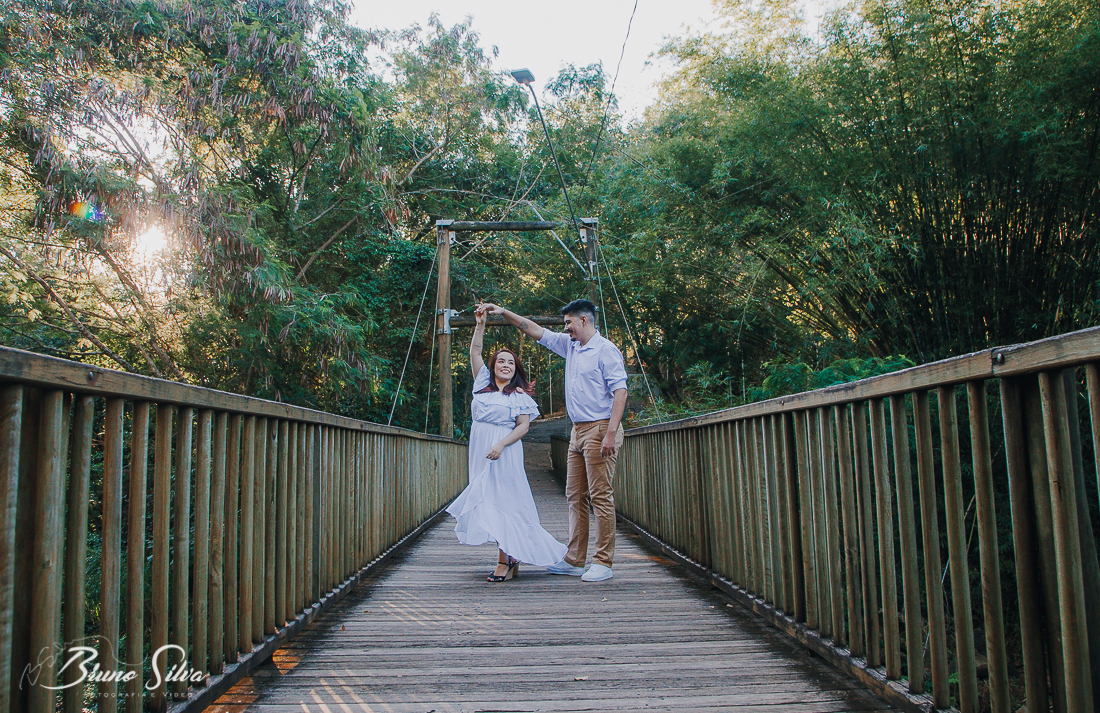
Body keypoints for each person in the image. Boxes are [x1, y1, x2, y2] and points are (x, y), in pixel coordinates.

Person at [478, 299, 628, 583]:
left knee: (600, 496)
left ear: (583, 320)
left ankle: (603, 562)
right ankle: (574, 560)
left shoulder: (605, 350)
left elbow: (620, 391)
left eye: (568, 322)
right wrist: (504, 312)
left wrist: (610, 433)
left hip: (600, 429)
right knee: (574, 496)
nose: (566, 328)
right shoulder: (571, 346)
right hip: (577, 432)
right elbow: (532, 329)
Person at [445, 306, 567, 582]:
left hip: (505, 450)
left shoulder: (519, 396)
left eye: (511, 363)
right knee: (487, 499)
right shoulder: (481, 384)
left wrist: (501, 444)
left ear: (516, 369)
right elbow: (475, 352)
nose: (506, 365)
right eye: (501, 361)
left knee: (506, 502)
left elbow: (523, 426)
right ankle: (510, 556)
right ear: (493, 366)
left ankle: (506, 559)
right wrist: (480, 325)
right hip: (480, 448)